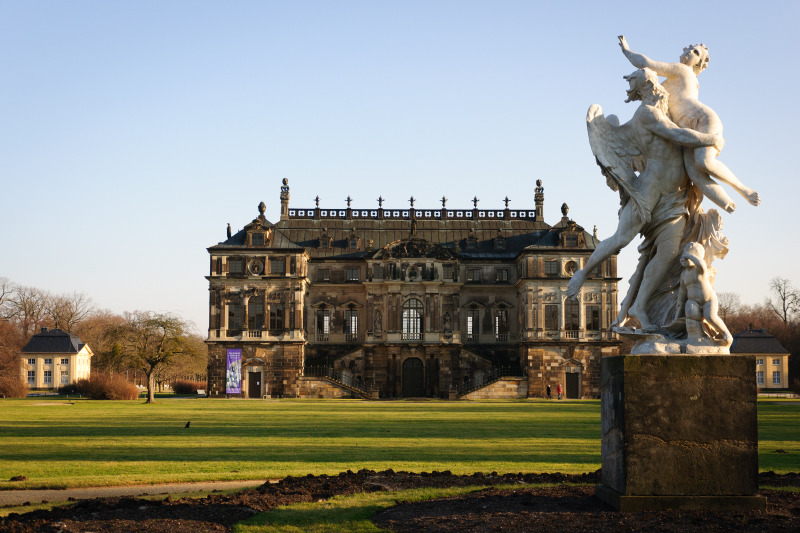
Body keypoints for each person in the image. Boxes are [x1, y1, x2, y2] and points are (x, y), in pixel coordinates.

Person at [567, 68, 723, 331]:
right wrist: (711, 138)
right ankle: (583, 273)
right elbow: (678, 136)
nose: (659, 88)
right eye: (653, 84)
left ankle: (639, 306)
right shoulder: (647, 114)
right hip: (648, 193)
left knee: (668, 254)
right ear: (647, 89)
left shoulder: (663, 112)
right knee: (620, 239)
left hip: (673, 198)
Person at [618, 36, 760, 213]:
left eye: (696, 53)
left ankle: (743, 189)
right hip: (687, 131)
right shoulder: (674, 80)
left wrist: (627, 51)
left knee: (704, 161)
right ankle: (727, 204)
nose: (689, 53)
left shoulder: (683, 71)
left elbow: (647, 63)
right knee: (695, 173)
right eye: (689, 49)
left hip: (703, 120)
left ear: (698, 64)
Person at [674, 242, 733, 346]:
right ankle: (696, 339)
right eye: (683, 256)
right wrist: (678, 311)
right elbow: (682, 294)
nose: (684, 259)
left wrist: (690, 256)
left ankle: (727, 335)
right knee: (690, 312)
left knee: (710, 316)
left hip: (708, 300)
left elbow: (701, 263)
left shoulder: (699, 270)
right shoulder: (684, 275)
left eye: (687, 257)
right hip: (693, 301)